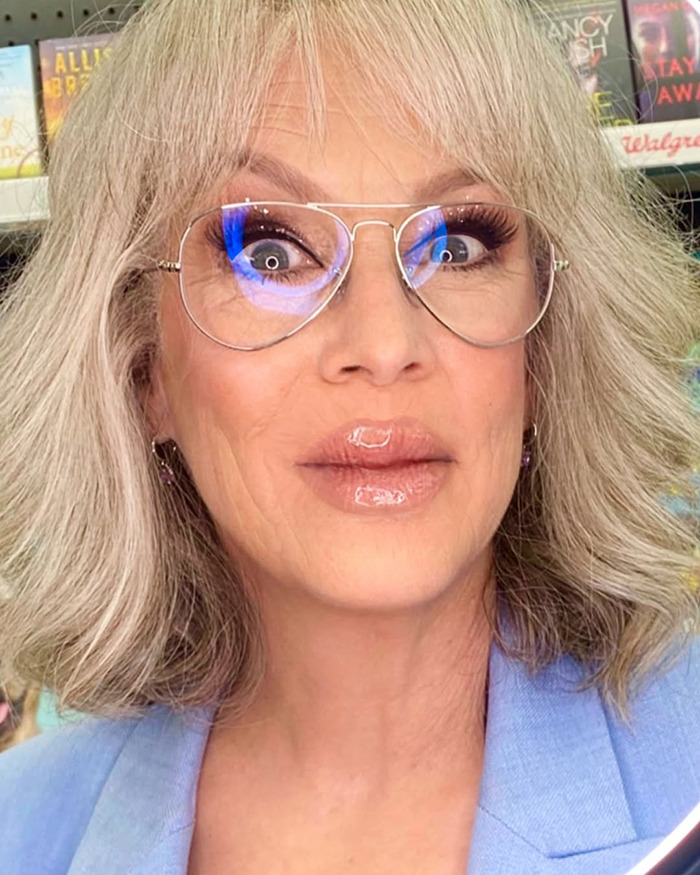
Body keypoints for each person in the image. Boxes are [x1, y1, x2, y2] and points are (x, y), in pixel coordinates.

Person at [0, 0, 698, 872]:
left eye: (455, 246)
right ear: (144, 370)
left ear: (544, 348)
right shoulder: (21, 829)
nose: (382, 346)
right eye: (270, 251)